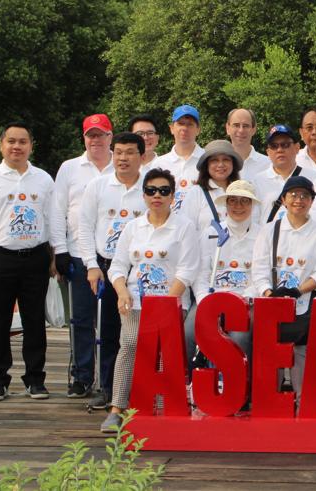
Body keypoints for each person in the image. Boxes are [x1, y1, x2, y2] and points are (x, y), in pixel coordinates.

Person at [100, 168, 200, 433]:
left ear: (172, 196)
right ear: (144, 195)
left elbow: (187, 270)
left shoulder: (184, 226)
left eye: (164, 191)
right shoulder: (133, 227)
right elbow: (118, 267)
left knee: (162, 353)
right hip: (135, 302)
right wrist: (122, 291)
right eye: (151, 191)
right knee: (130, 343)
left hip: (171, 301)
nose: (157, 196)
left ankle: (157, 406)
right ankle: (117, 408)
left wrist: (166, 305)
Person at [0, 121, 56, 401]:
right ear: (1, 145)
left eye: (23, 141)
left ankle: (35, 379)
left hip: (36, 257)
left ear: (31, 145)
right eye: (11, 141)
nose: (17, 146)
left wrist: (55, 256)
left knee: (34, 320)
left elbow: (52, 221)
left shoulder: (43, 179)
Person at [250, 175, 316, 403]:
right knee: (272, 351)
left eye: (305, 196)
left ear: (311, 201)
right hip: (273, 305)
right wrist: (270, 295)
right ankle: (274, 399)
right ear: (284, 199)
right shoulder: (269, 231)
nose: (299, 200)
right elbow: (259, 270)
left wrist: (298, 291)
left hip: (307, 304)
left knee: (302, 351)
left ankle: (303, 400)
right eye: (294, 195)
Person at [76, 131, 147, 409]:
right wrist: (91, 266)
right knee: (108, 332)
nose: (123, 158)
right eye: (118, 152)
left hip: (139, 270)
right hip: (105, 267)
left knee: (138, 334)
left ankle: (139, 390)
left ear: (141, 156)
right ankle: (107, 388)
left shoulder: (150, 187)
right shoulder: (98, 186)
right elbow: (84, 227)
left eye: (130, 152)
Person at [51, 114, 115, 398]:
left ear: (110, 137)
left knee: (112, 319)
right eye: (91, 135)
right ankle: (82, 375)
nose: (96, 140)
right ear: (84, 138)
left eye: (101, 134)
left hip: (115, 256)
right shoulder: (69, 168)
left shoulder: (123, 164)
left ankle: (110, 377)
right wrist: (59, 250)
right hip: (77, 253)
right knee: (81, 318)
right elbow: (56, 211)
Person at [189, 180, 262, 371]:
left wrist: (240, 302)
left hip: (245, 302)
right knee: (189, 331)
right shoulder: (211, 232)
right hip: (211, 300)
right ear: (226, 204)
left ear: (252, 205)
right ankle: (190, 384)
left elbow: (260, 276)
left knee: (239, 337)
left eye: (244, 201)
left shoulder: (262, 234)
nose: (238, 206)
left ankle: (241, 389)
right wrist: (206, 302)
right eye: (233, 201)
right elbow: (201, 273)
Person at [251, 124, 316, 223]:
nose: (280, 150)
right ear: (268, 152)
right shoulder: (257, 181)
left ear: (297, 148)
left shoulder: (314, 178)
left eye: (285, 145)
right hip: (269, 237)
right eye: (274, 146)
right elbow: (254, 220)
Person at [149, 105, 205, 213]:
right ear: (172, 128)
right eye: (180, 123)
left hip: (200, 228)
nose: (185, 128)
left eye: (190, 124)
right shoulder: (159, 164)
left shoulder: (208, 161)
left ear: (198, 130)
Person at [180, 139, 243, 234]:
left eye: (226, 159)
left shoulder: (242, 191)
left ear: (233, 164)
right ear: (206, 165)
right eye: (214, 160)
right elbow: (184, 230)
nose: (221, 165)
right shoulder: (196, 193)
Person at [226, 108, 270, 177]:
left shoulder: (268, 165)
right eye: (236, 125)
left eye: (246, 126)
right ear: (227, 128)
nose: (241, 130)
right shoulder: (217, 167)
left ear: (254, 129)